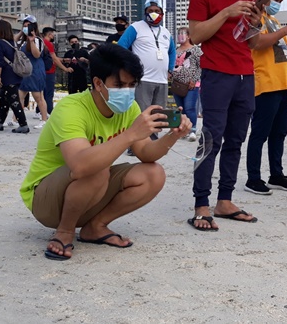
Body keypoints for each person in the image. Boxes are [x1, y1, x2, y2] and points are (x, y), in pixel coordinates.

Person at [19, 43, 192, 260]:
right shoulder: (71, 108)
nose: (127, 91)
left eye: (132, 85)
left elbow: (146, 154)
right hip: (46, 199)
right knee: (97, 168)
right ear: (98, 83)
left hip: (88, 191)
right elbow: (80, 165)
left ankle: (96, 227)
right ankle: (64, 231)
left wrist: (173, 135)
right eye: (119, 84)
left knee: (153, 174)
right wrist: (130, 134)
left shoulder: (129, 109)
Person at [186, 0, 265, 229]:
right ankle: (201, 204)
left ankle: (225, 200)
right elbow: (195, 35)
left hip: (245, 75)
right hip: (217, 74)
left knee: (236, 140)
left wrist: (255, 21)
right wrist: (227, 12)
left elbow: (254, 42)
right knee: (210, 139)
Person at [244, 0, 287, 195]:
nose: (278, 3)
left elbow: (286, 51)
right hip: (266, 83)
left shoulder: (275, 22)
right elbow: (258, 43)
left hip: (283, 84)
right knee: (260, 133)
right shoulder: (256, 18)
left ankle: (276, 174)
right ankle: (253, 178)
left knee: (279, 133)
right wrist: (285, 31)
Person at [117, 0, 176, 142]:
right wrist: (129, 67)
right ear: (145, 11)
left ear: (162, 13)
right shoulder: (135, 27)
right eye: (150, 10)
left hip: (161, 80)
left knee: (158, 113)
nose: (153, 12)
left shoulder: (166, 32)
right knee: (141, 113)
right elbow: (121, 47)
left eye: (157, 10)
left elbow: (172, 51)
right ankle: (136, 143)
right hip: (143, 79)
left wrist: (170, 69)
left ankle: (152, 142)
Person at [0, 19, 29, 132]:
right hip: (15, 74)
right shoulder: (12, 43)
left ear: (0, 29)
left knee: (14, 100)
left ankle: (23, 124)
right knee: (4, 100)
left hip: (6, 76)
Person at [171, 26, 202, 142]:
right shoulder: (175, 50)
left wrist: (194, 80)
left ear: (189, 36)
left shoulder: (196, 50)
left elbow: (201, 66)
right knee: (182, 109)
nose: (181, 35)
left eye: (183, 33)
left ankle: (192, 129)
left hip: (191, 85)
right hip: (177, 85)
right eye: (179, 33)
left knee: (190, 108)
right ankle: (184, 129)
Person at [17, 18, 49, 129]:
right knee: (20, 95)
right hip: (25, 70)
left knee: (38, 96)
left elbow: (37, 55)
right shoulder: (22, 41)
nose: (26, 27)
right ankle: (16, 118)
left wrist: (31, 40)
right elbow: (13, 41)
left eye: (29, 26)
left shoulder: (37, 40)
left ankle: (44, 119)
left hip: (35, 69)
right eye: (24, 25)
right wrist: (22, 32)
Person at [39, 27, 73, 116]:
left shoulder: (40, 42)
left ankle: (39, 111)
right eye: (53, 34)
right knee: (49, 94)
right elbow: (54, 59)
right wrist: (65, 69)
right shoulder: (49, 44)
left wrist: (63, 59)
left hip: (42, 71)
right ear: (49, 34)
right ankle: (49, 112)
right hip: (49, 71)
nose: (54, 35)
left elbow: (50, 57)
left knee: (42, 93)